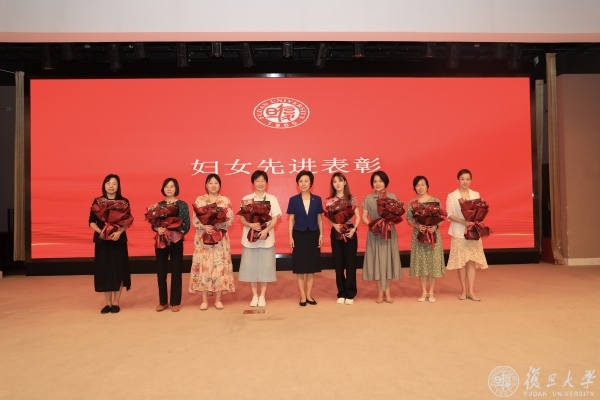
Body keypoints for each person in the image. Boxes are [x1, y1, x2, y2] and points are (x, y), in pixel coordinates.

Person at [189, 174, 235, 310]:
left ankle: (218, 300)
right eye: (210, 183)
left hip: (220, 239)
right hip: (203, 239)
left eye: (216, 183)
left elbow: (231, 219)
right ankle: (204, 300)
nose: (213, 185)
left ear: (220, 185)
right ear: (206, 185)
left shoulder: (225, 200)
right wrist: (204, 226)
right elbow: (195, 219)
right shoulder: (200, 200)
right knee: (204, 266)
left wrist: (218, 224)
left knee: (220, 266)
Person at [89, 174, 133, 314]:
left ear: (118, 186)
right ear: (104, 185)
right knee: (105, 271)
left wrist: (119, 232)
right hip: (102, 241)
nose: (111, 186)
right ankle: (107, 303)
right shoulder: (98, 201)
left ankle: (116, 302)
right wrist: (102, 232)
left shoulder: (124, 201)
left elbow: (127, 221)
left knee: (118, 270)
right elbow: (91, 222)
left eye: (114, 183)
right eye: (108, 183)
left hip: (118, 240)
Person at [238, 170, 281, 308]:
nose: (260, 183)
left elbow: (275, 218)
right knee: (250, 267)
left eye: (263, 180)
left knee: (265, 267)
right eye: (257, 181)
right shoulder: (247, 199)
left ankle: (262, 295)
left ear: (267, 183)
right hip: (250, 239)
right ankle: (254, 295)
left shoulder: (272, 199)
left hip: (266, 238)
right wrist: (251, 225)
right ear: (253, 183)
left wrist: (266, 230)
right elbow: (242, 218)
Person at [446, 169, 489, 301]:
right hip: (459, 232)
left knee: (471, 262)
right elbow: (449, 214)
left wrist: (477, 219)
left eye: (468, 179)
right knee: (461, 262)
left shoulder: (476, 194)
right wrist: (463, 222)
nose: (465, 181)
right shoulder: (451, 196)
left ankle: (471, 291)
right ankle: (463, 290)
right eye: (462, 179)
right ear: (458, 180)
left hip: (473, 232)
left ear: (471, 180)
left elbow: (480, 211)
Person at [148, 178, 190, 313]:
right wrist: (158, 228)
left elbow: (186, 225)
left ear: (176, 188)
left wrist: (171, 229)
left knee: (176, 271)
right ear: (163, 189)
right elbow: (153, 224)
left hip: (176, 241)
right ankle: (163, 302)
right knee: (161, 272)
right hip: (161, 241)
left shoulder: (182, 205)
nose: (169, 189)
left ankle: (175, 302)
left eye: (172, 186)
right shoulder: (158, 205)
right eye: (166, 186)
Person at [362, 171, 402, 303]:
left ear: (385, 182)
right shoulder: (368, 198)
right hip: (375, 233)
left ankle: (388, 291)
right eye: (375, 181)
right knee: (377, 262)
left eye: (380, 181)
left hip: (389, 233)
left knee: (388, 261)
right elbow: (364, 216)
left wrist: (390, 222)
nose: (377, 183)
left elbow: (397, 215)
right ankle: (380, 292)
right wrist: (373, 226)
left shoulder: (392, 197)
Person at [406, 176, 445, 303]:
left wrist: (436, 226)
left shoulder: (435, 201)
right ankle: (423, 291)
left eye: (423, 184)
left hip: (433, 235)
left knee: (433, 262)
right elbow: (409, 220)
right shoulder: (412, 203)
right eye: (417, 185)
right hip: (419, 236)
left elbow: (442, 218)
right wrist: (417, 226)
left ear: (427, 186)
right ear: (414, 188)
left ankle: (431, 291)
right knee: (421, 263)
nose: (420, 187)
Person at [287, 170, 323, 307]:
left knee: (311, 267)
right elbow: (291, 220)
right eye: (301, 181)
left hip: (313, 234)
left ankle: (309, 294)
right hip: (299, 235)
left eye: (306, 181)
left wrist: (321, 235)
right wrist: (290, 237)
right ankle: (302, 295)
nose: (303, 184)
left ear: (311, 183)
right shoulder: (293, 200)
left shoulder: (317, 199)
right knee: (300, 267)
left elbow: (319, 219)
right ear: (297, 183)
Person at [325, 172, 360, 305]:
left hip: (350, 231)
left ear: (345, 182)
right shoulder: (329, 200)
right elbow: (329, 219)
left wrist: (353, 229)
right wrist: (335, 225)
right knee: (338, 263)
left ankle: (350, 293)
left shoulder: (352, 198)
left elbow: (357, 216)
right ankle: (341, 293)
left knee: (351, 263)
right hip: (336, 231)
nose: (337, 184)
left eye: (340, 181)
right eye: (335, 182)